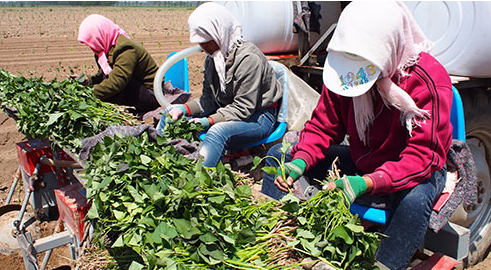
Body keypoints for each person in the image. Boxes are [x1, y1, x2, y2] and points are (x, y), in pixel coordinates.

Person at [261, 2, 453, 270]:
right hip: (365, 159)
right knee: (277, 157)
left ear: (387, 50)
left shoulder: (426, 79)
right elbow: (323, 126)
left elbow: (423, 156)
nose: (356, 75)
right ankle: (282, 242)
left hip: (412, 169)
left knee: (414, 201)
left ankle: (384, 264)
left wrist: (366, 183)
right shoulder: (347, 73)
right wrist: (300, 161)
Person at [157, 2, 283, 168]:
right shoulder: (214, 57)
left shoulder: (248, 59)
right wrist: (184, 109)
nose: (202, 46)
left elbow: (243, 108)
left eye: (206, 41)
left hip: (259, 117)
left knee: (217, 132)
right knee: (168, 114)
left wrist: (208, 121)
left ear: (219, 33)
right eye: (200, 42)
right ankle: (159, 163)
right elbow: (209, 99)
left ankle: (199, 181)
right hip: (230, 111)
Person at [76, 14, 160, 114]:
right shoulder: (104, 51)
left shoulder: (125, 49)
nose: (92, 47)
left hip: (151, 94)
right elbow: (105, 75)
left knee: (115, 90)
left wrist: (87, 94)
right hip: (134, 88)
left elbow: (117, 82)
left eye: (93, 42)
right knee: (108, 87)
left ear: (101, 35)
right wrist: (88, 81)